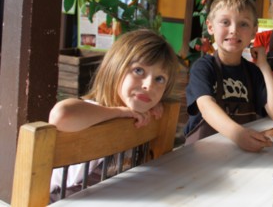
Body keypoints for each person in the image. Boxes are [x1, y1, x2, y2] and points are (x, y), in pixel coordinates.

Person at [48, 29, 180, 199]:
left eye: (159, 79)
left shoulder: (145, 114)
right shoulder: (93, 110)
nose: (149, 85)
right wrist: (118, 112)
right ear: (114, 68)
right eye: (139, 71)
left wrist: (153, 106)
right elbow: (61, 115)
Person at [184, 0, 273, 152]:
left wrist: (264, 67)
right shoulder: (203, 67)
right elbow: (206, 106)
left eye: (243, 24)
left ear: (254, 32)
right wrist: (239, 135)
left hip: (241, 153)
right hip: (202, 154)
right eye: (225, 22)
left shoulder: (253, 72)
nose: (234, 30)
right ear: (210, 27)